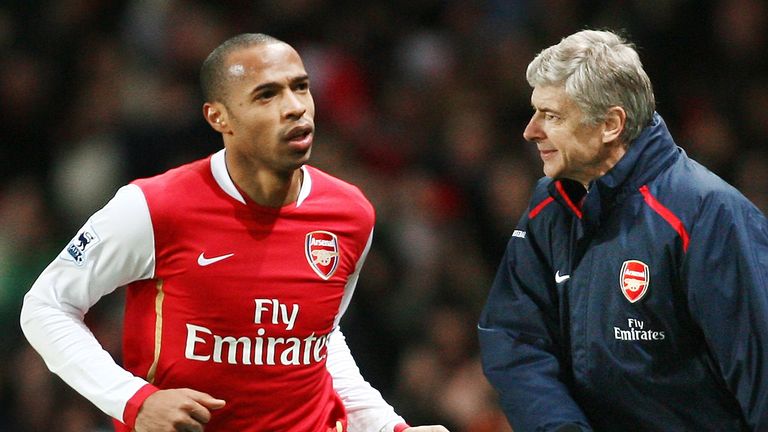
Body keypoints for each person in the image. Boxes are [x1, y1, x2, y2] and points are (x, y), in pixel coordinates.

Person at [20, 33, 449, 432]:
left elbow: (318, 341)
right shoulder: (153, 207)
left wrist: (386, 425)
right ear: (219, 117)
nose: (295, 106)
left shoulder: (351, 214)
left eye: (300, 87)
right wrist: (134, 401)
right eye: (267, 95)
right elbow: (45, 307)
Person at [477, 29, 768, 432]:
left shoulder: (707, 215)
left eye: (552, 116)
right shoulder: (550, 204)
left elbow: (760, 372)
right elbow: (515, 336)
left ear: (611, 124)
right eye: (535, 111)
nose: (530, 131)